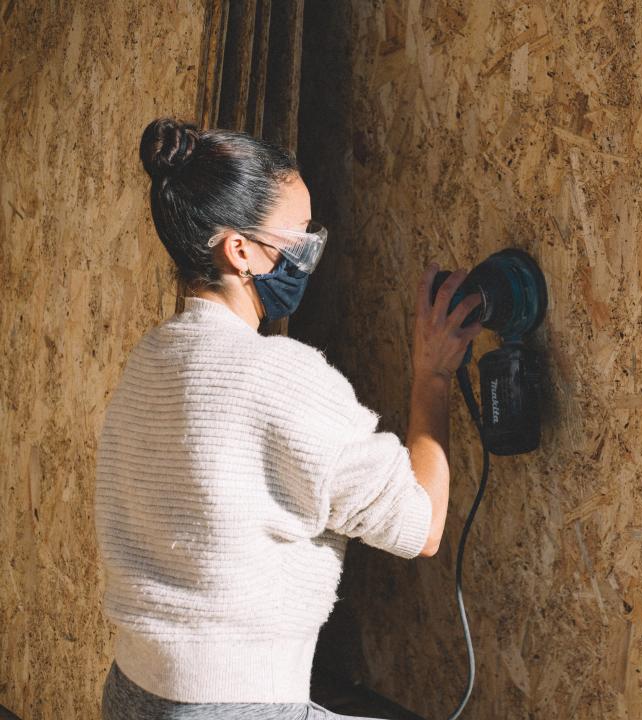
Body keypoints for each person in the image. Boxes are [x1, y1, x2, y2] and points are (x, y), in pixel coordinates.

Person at [94, 118, 483, 719]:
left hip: (132, 694)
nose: (309, 255)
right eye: (298, 239)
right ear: (241, 249)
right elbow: (421, 526)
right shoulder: (281, 375)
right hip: (234, 706)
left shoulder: (149, 359)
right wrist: (431, 375)